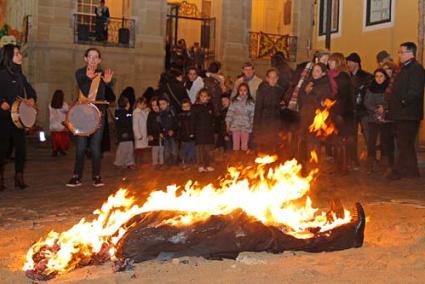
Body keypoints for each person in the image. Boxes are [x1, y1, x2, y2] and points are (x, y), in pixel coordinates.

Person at [66, 47, 113, 188]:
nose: (92, 60)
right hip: (82, 115)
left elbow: (107, 97)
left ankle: (96, 176)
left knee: (95, 146)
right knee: (80, 147)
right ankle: (76, 176)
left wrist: (107, 83)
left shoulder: (103, 74)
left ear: (99, 60)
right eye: (90, 57)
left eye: (95, 57)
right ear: (85, 59)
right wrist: (88, 78)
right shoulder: (80, 73)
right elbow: (85, 90)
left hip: (99, 114)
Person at [0, 44, 37, 190]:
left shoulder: (21, 76)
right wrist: (1, 102)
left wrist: (32, 99)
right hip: (2, 118)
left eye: (20, 53)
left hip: (18, 119)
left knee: (21, 149)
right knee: (2, 149)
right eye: (16, 54)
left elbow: (31, 91)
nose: (20, 56)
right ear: (9, 57)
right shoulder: (1, 74)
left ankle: (19, 177)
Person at [387, 42, 425, 180]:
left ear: (411, 53)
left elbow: (416, 90)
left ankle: (398, 171)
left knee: (403, 144)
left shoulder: (416, 69)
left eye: (401, 52)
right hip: (400, 113)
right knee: (406, 144)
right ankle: (412, 172)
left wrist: (404, 101)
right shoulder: (403, 69)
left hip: (409, 114)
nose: (399, 55)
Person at [297, 63, 332, 168]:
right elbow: (300, 98)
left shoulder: (325, 85)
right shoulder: (308, 82)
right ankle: (302, 161)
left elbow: (324, 101)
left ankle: (313, 162)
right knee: (303, 138)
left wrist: (312, 94)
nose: (315, 73)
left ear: (323, 73)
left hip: (317, 117)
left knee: (314, 140)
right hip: (305, 114)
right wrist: (306, 92)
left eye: (317, 71)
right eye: (314, 70)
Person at [364, 68, 394, 173]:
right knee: (372, 142)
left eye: (381, 76)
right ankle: (371, 164)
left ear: (385, 77)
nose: (378, 78)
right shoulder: (371, 88)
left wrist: (384, 108)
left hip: (386, 119)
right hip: (373, 118)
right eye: (376, 76)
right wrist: (376, 109)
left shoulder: (390, 88)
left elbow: (392, 101)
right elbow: (367, 102)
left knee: (385, 141)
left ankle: (385, 164)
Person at [328, 52, 354, 175]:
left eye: (331, 61)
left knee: (341, 140)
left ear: (337, 62)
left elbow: (343, 97)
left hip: (342, 113)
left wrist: (338, 112)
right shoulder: (332, 75)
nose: (329, 63)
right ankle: (338, 166)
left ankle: (343, 167)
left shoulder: (342, 76)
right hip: (335, 111)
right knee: (336, 140)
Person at [346, 52, 373, 167]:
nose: (348, 64)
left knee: (368, 135)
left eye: (350, 62)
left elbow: (368, 93)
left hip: (363, 110)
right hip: (352, 110)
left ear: (356, 63)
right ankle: (353, 159)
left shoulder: (366, 76)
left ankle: (371, 160)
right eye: (348, 62)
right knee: (351, 135)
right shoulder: (348, 76)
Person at [254, 68, 285, 152]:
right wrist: (256, 125)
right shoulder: (262, 89)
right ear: (267, 78)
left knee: (274, 143)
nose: (273, 80)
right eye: (271, 77)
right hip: (264, 120)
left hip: (275, 120)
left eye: (275, 77)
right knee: (264, 143)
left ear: (277, 78)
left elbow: (281, 106)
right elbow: (258, 107)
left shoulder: (280, 90)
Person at [226, 83, 255, 152]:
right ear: (238, 91)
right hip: (235, 126)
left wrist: (252, 124)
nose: (242, 92)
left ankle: (243, 160)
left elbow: (252, 115)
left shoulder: (250, 102)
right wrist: (227, 124)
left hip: (246, 127)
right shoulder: (234, 101)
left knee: (244, 146)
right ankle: (236, 160)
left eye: (244, 90)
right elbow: (230, 113)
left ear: (248, 91)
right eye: (241, 90)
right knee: (235, 145)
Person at [192, 89, 215, 172]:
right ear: (199, 97)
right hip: (199, 131)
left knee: (208, 149)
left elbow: (213, 118)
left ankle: (209, 164)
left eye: (205, 96)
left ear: (208, 97)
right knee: (200, 150)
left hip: (208, 131)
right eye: (201, 96)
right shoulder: (195, 107)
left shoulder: (210, 106)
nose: (203, 98)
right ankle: (201, 165)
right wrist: (193, 132)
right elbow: (193, 120)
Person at [113, 95, 135, 169]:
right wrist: (124, 133)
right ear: (127, 104)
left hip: (126, 135)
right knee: (123, 149)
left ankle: (128, 162)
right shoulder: (123, 113)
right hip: (125, 135)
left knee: (129, 148)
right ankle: (119, 162)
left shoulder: (122, 113)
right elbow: (125, 124)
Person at [49, 90, 70, 157]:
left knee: (55, 139)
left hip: (53, 124)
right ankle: (61, 149)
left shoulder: (50, 104)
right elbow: (68, 110)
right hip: (62, 124)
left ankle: (55, 150)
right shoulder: (64, 105)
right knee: (63, 139)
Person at [158, 96, 178, 167]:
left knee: (174, 149)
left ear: (168, 103)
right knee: (166, 150)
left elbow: (176, 122)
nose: (161, 106)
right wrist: (160, 132)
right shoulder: (160, 114)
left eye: (163, 104)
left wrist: (173, 129)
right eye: (160, 104)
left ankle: (175, 162)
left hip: (172, 134)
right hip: (165, 134)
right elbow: (159, 124)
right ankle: (167, 163)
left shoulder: (172, 112)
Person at [178, 98, 196, 168]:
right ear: (182, 107)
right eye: (184, 107)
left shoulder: (193, 115)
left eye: (187, 106)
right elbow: (179, 127)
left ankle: (191, 162)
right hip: (183, 137)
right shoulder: (180, 116)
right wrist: (179, 135)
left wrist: (193, 133)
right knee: (183, 151)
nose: (186, 108)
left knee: (192, 150)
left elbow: (194, 125)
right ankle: (184, 162)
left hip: (192, 137)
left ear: (190, 106)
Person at [147, 97, 164, 168]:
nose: (154, 107)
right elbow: (148, 125)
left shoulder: (162, 113)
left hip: (161, 135)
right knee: (155, 149)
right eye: (152, 105)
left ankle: (162, 162)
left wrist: (163, 132)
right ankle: (155, 163)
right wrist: (149, 134)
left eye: (156, 105)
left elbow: (164, 124)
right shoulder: (150, 114)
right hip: (154, 135)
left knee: (162, 149)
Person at [133, 97, 150, 164]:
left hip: (143, 133)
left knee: (142, 149)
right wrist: (138, 135)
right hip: (139, 135)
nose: (144, 106)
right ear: (138, 104)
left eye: (145, 104)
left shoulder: (142, 112)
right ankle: (137, 161)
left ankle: (140, 160)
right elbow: (135, 126)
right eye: (143, 104)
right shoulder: (136, 113)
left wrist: (147, 112)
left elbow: (145, 118)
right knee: (138, 149)